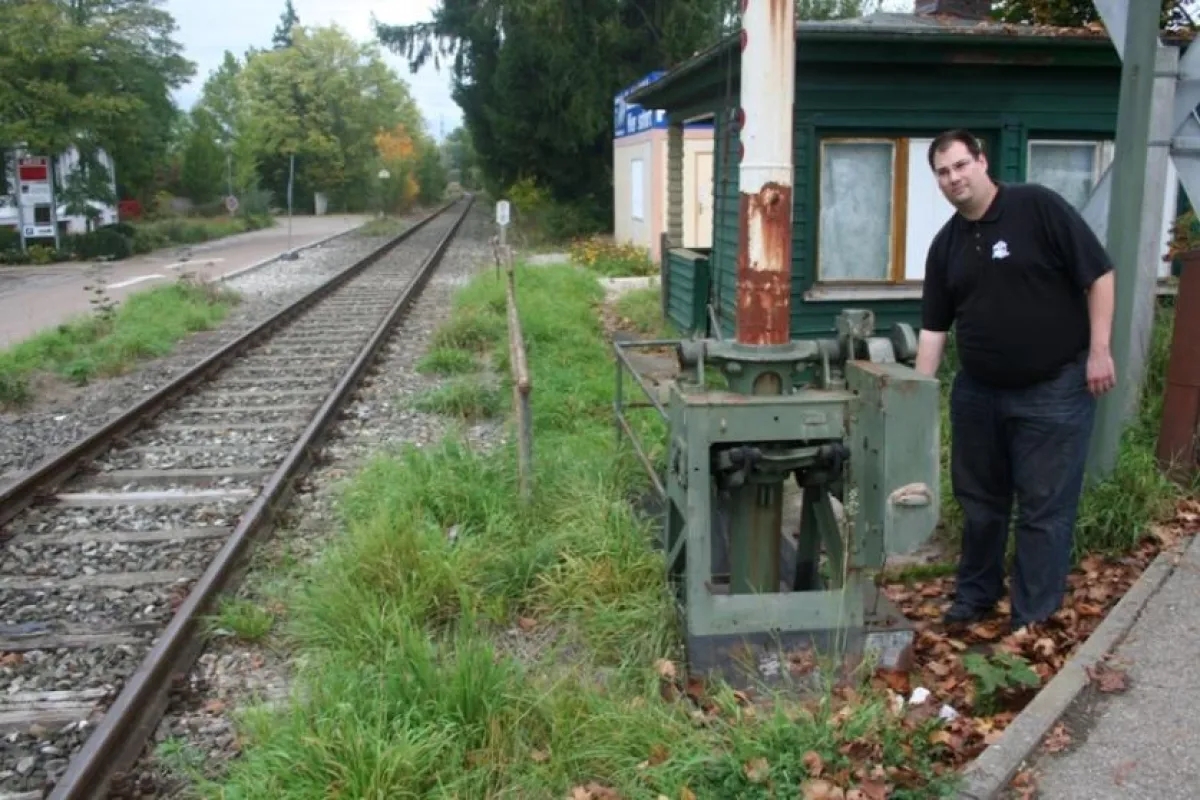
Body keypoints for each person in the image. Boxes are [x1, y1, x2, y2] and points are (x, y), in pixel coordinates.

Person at [914, 129, 1117, 633]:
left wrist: (1099, 350)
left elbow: (1100, 275)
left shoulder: (1037, 208)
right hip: (979, 395)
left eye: (961, 164)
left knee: (1043, 508)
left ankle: (1032, 619)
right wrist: (916, 397)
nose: (954, 178)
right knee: (980, 505)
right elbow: (934, 328)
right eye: (943, 172)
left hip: (1054, 391)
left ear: (982, 162)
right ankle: (976, 597)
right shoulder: (946, 246)